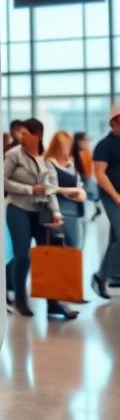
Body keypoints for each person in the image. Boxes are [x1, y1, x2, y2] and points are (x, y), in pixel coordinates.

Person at [4, 118, 76, 321]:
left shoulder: (46, 160)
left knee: (50, 253)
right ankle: (19, 298)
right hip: (18, 208)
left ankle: (53, 303)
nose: (21, 136)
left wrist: (57, 213)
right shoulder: (14, 155)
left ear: (38, 135)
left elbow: (50, 190)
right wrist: (29, 189)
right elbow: (0, 180)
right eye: (21, 133)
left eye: (26, 133)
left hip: (42, 211)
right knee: (23, 255)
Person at [90, 105, 120, 300]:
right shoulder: (104, 145)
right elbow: (99, 174)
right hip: (111, 196)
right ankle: (101, 275)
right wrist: (116, 196)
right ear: (114, 121)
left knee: (116, 238)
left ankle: (112, 274)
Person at [45, 131, 87, 249]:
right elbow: (49, 190)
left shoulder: (71, 164)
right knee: (59, 253)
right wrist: (56, 212)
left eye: (69, 144)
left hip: (76, 214)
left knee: (76, 251)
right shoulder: (49, 164)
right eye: (64, 144)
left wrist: (82, 193)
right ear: (57, 146)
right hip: (59, 215)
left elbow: (80, 186)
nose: (67, 148)